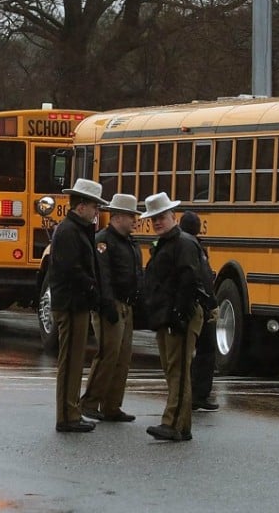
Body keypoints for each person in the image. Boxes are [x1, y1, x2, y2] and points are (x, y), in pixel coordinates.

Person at [141, 192, 205, 442]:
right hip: (166, 316)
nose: (157, 222)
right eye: (153, 218)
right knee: (173, 369)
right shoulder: (165, 244)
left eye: (161, 217)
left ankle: (172, 423)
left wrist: (179, 314)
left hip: (179, 317)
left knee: (177, 370)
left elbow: (189, 279)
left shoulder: (183, 244)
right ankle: (182, 424)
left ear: (173, 217)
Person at [46, 178, 107, 433]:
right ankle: (66, 415)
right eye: (94, 206)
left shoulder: (77, 229)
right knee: (69, 361)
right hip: (70, 304)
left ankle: (72, 411)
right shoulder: (70, 231)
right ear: (81, 206)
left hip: (77, 303)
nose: (97, 212)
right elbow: (72, 270)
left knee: (74, 361)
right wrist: (93, 290)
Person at [80, 193, 142, 423]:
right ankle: (89, 402)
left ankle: (112, 405)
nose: (135, 220)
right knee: (108, 354)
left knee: (123, 358)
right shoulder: (103, 241)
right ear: (117, 217)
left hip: (126, 303)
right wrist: (107, 306)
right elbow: (102, 276)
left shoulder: (129, 242)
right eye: (131, 216)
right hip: (111, 303)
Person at [180, 211, 220, 412]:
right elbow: (202, 278)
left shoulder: (194, 246)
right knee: (200, 350)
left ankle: (194, 394)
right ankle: (195, 394)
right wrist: (211, 302)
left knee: (200, 349)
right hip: (196, 305)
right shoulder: (192, 248)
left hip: (198, 304)